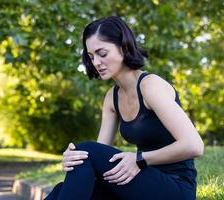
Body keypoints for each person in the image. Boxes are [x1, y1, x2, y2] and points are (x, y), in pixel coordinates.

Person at [44, 16, 204, 200]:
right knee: (60, 189)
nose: (96, 63)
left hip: (174, 187)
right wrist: (74, 158)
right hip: (137, 182)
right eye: (91, 57)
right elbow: (97, 156)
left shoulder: (150, 86)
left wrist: (140, 159)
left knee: (86, 150)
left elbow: (194, 146)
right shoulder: (112, 98)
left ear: (123, 47)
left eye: (102, 53)